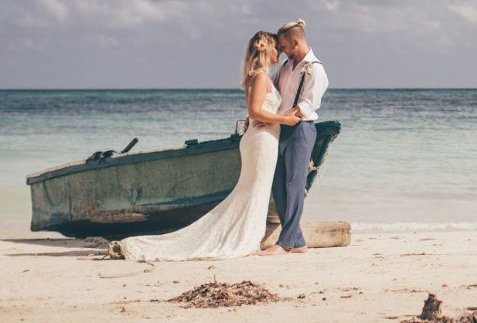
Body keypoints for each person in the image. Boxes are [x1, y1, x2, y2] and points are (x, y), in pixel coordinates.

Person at [112, 32, 302, 261]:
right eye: (276, 49)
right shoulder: (261, 77)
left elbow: (258, 113)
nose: (278, 53)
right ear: (265, 49)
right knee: (254, 191)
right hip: (261, 141)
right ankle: (244, 238)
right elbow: (254, 112)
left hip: (261, 138)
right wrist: (286, 120)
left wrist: (276, 117)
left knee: (252, 191)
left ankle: (246, 235)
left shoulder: (257, 76)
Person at [261, 18, 329, 255]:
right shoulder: (286, 67)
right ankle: (298, 242)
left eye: (284, 46)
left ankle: (286, 242)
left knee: (294, 184)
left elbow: (308, 104)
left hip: (301, 129)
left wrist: (280, 118)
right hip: (280, 128)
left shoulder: (316, 69)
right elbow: (271, 90)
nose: (282, 51)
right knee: (278, 184)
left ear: (296, 41)